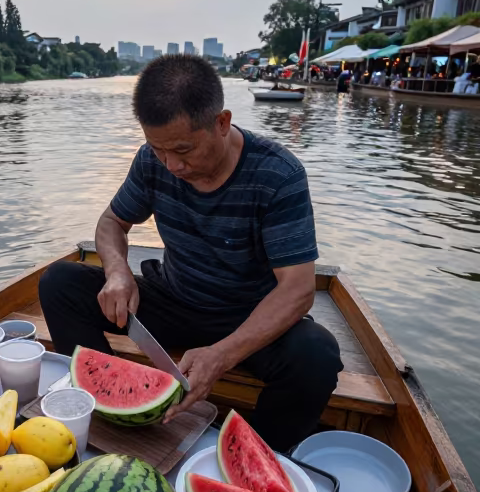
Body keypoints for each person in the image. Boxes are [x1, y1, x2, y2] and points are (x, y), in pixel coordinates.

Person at [40, 55, 342, 451]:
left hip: (248, 317)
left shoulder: (277, 175)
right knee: (60, 283)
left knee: (316, 355)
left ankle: (258, 457)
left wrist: (221, 355)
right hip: (176, 299)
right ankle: (110, 408)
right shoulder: (154, 159)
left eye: (184, 150)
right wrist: (117, 272)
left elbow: (298, 289)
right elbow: (112, 222)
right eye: (159, 150)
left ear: (221, 123)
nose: (173, 165)